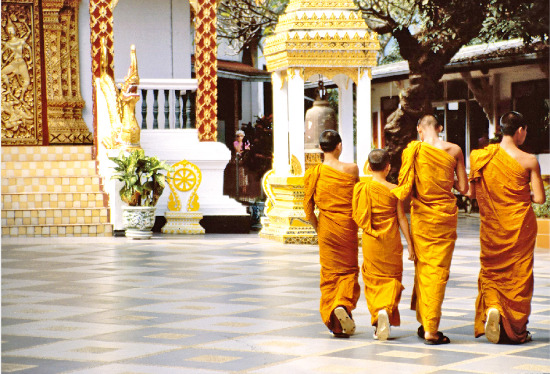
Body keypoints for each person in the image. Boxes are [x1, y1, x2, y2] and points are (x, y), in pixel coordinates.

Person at [469, 111, 545, 344]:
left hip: (492, 226)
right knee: (518, 276)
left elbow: (473, 193)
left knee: (493, 272)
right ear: (520, 130)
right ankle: (516, 328)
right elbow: (540, 199)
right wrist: (522, 195)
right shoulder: (529, 160)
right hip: (519, 226)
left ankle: (493, 306)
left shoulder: (481, 157)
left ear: (501, 129)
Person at [393, 114, 468, 345]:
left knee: (425, 269)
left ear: (419, 130)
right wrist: (450, 179)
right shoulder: (454, 150)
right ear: (440, 127)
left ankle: (427, 322)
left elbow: (406, 188)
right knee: (438, 271)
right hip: (444, 218)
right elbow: (464, 188)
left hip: (422, 218)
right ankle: (431, 330)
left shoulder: (413, 152)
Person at [352, 149, 415, 341]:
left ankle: (379, 313)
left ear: (369, 167)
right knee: (391, 279)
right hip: (391, 242)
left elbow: (357, 217)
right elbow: (402, 219)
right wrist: (411, 246)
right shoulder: (394, 189)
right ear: (388, 168)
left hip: (371, 241)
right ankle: (385, 309)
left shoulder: (362, 188)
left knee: (373, 280)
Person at [303, 129, 360, 338]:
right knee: (348, 271)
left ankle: (336, 322)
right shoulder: (352, 169)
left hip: (326, 228)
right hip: (347, 226)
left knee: (329, 275)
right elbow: (357, 199)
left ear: (320, 148)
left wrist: (318, 227)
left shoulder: (313, 173)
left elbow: (307, 208)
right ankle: (343, 304)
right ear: (339, 146)